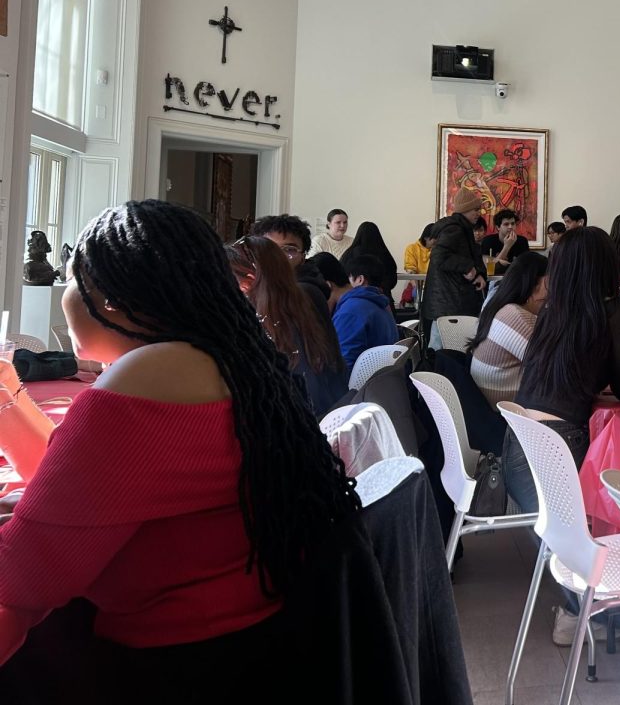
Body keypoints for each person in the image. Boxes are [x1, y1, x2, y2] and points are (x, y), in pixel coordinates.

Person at [0, 200, 360, 695]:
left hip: (172, 665)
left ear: (105, 299)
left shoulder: (145, 380)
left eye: (74, 279)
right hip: (260, 649)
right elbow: (72, 490)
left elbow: (23, 576)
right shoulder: (230, 359)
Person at [503, 226, 620, 515]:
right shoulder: (616, 313)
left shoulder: (551, 312)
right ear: (607, 266)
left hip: (517, 446)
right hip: (559, 448)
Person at [227, 237, 349, 415]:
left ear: (249, 280)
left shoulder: (269, 321)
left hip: (299, 425)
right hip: (328, 413)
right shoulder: (301, 301)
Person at [467, 252, 549, 406]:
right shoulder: (515, 317)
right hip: (505, 416)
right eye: (550, 283)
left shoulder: (499, 305)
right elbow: (553, 369)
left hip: (489, 405)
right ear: (535, 284)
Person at [421, 188, 488, 341]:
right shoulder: (455, 229)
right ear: (464, 209)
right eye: (475, 209)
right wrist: (468, 267)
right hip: (450, 302)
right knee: (448, 350)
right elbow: (439, 256)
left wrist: (478, 274)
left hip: (448, 301)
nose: (479, 213)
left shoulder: (461, 228)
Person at [333, 254, 401, 366]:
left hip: (358, 381)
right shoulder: (383, 305)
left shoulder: (352, 310)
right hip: (381, 378)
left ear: (360, 279)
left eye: (348, 278)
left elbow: (343, 361)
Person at [250, 214, 331, 304]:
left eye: (289, 250)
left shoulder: (304, 293)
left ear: (303, 258)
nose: (278, 256)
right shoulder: (254, 284)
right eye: (270, 248)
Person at [339, 220, 398, 295]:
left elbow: (342, 276)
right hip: (383, 298)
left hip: (355, 296)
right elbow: (392, 279)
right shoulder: (384, 254)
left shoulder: (350, 254)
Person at [480, 209, 530, 275]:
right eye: (506, 224)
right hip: (493, 280)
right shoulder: (488, 241)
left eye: (513, 223)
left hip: (515, 277)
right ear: (498, 227)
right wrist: (507, 246)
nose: (510, 227)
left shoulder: (522, 241)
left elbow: (526, 266)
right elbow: (491, 269)